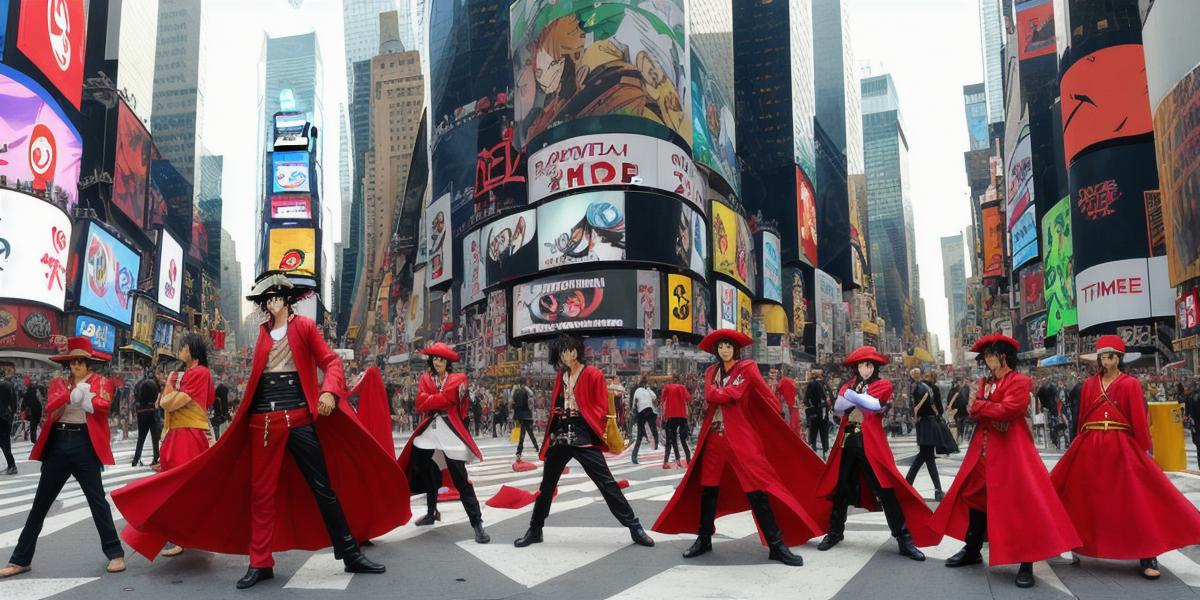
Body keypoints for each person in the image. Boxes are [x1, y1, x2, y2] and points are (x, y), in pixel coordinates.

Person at [110, 273, 406, 589]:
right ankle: (260, 562)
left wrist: (329, 392)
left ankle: (350, 553)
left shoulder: (304, 327)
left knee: (323, 488)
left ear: (287, 299)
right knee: (260, 495)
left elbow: (331, 362)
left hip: (298, 418)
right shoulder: (263, 335)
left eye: (276, 296)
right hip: (262, 422)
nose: (271, 302)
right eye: (266, 298)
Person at [654, 329, 828, 566]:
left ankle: (776, 545)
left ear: (735, 349)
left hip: (742, 439)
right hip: (714, 438)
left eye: (728, 346)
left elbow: (735, 394)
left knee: (759, 490)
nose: (724, 350)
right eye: (721, 347)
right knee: (708, 490)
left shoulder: (747, 367)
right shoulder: (711, 371)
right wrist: (722, 393)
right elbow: (710, 394)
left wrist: (721, 393)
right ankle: (704, 539)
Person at [930, 334, 1080, 589]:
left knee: (1020, 502)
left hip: (1013, 451)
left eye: (992, 355)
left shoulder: (1020, 380)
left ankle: (1026, 562)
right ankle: (973, 548)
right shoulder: (984, 382)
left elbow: (1011, 409)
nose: (989, 361)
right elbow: (972, 409)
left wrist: (983, 406)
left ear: (1003, 356)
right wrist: (986, 406)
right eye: (986, 356)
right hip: (983, 450)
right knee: (975, 497)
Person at [1050, 336, 1200, 579]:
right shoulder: (1089, 384)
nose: (1105, 359)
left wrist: (1143, 447)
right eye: (1101, 355)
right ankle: (1066, 539)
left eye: (1109, 355)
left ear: (1119, 358)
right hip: (1090, 442)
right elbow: (1081, 416)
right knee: (1077, 494)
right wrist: (1078, 440)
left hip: (1120, 443)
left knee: (1137, 498)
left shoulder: (1129, 384)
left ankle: (1148, 553)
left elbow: (1139, 418)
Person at [513, 334, 655, 549]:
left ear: (577, 350)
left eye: (570, 350)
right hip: (561, 431)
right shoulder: (562, 375)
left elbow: (600, 406)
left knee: (605, 481)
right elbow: (556, 404)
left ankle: (634, 526)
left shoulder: (592, 373)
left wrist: (589, 421)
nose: (566, 355)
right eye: (562, 352)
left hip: (582, 431)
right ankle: (535, 529)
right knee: (547, 484)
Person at [0, 337, 126, 578]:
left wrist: (86, 398)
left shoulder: (102, 382)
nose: (76, 365)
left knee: (97, 500)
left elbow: (104, 405)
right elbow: (51, 407)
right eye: (72, 361)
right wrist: (71, 395)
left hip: (85, 445)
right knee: (40, 503)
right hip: (58, 443)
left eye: (80, 361)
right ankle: (20, 559)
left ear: (89, 363)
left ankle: (115, 553)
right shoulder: (60, 383)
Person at [815, 347, 936, 560]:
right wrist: (857, 398)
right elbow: (838, 407)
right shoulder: (849, 385)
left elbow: (872, 405)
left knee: (885, 490)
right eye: (861, 365)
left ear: (875, 367)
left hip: (870, 443)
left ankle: (903, 538)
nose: (865, 369)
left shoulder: (882, 384)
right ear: (856, 367)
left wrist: (852, 397)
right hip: (848, 440)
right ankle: (835, 532)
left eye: (869, 365)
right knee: (841, 488)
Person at [118, 333, 215, 558]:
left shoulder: (199, 372)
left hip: (187, 435)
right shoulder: (186, 374)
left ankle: (183, 536)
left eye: (182, 347)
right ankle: (184, 534)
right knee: (179, 488)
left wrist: (170, 388)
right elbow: (167, 402)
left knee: (177, 488)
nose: (179, 350)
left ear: (191, 349)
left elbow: (169, 403)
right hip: (178, 434)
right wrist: (170, 387)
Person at [397, 343, 490, 544]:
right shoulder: (425, 378)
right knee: (422, 467)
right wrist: (439, 399)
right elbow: (420, 404)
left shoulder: (459, 379)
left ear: (448, 362)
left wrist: (432, 398)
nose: (437, 362)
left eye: (441, 359)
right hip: (429, 431)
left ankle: (477, 524)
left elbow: (446, 399)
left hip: (451, 432)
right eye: (435, 359)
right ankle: (431, 512)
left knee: (461, 479)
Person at [904, 369, 945, 500]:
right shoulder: (933, 389)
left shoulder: (917, 388)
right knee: (927, 457)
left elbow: (914, 407)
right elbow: (940, 409)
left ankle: (907, 485)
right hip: (931, 423)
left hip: (922, 424)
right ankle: (937, 490)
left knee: (925, 456)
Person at [131, 368, 161, 467]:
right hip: (152, 411)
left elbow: (135, 397)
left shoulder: (138, 384)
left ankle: (136, 459)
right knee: (155, 438)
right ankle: (156, 458)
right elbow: (157, 396)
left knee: (141, 438)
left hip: (141, 412)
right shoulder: (154, 384)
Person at [660, 374, 692, 469]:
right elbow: (688, 398)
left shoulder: (667, 387)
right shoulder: (682, 387)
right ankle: (688, 460)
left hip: (671, 416)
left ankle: (667, 461)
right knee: (683, 440)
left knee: (670, 440)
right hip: (682, 416)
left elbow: (662, 400)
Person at [630, 376, 660, 464]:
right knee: (653, 428)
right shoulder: (647, 390)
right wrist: (648, 389)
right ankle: (656, 444)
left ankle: (634, 456)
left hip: (641, 412)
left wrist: (633, 412)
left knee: (639, 435)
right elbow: (654, 397)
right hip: (649, 410)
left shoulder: (637, 391)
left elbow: (633, 404)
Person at [804, 369, 832, 457]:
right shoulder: (825, 384)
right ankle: (825, 451)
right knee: (824, 433)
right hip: (824, 413)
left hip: (814, 413)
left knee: (813, 433)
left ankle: (813, 451)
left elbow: (806, 400)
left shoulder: (811, 384)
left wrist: (810, 405)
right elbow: (831, 397)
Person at [512, 379, 539, 462]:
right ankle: (536, 447)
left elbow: (513, 401)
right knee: (528, 432)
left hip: (520, 415)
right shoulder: (526, 391)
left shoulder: (516, 392)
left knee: (524, 433)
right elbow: (532, 394)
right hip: (526, 415)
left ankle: (519, 451)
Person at [773, 367, 801, 435]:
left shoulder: (783, 381)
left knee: (786, 419)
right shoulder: (792, 381)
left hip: (785, 402)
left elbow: (776, 390)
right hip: (791, 403)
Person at [0, 363, 17, 474]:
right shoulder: (9, 384)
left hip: (1, 416)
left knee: (4, 442)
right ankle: (11, 465)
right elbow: (14, 401)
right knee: (4, 442)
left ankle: (12, 465)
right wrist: (12, 414)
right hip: (6, 416)